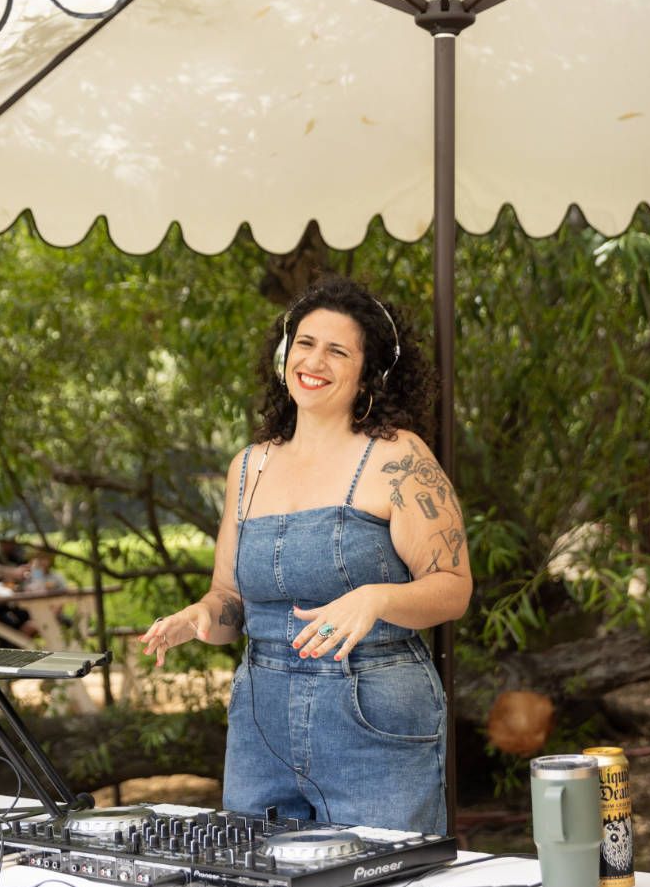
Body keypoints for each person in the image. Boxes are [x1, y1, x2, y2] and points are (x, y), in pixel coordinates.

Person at [139, 277, 471, 834]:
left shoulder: (398, 458)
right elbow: (229, 602)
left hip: (373, 714)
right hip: (259, 722)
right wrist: (199, 619)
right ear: (283, 354)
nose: (314, 360)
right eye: (305, 343)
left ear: (369, 373)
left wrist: (376, 598)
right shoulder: (249, 466)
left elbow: (453, 588)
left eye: (338, 350)